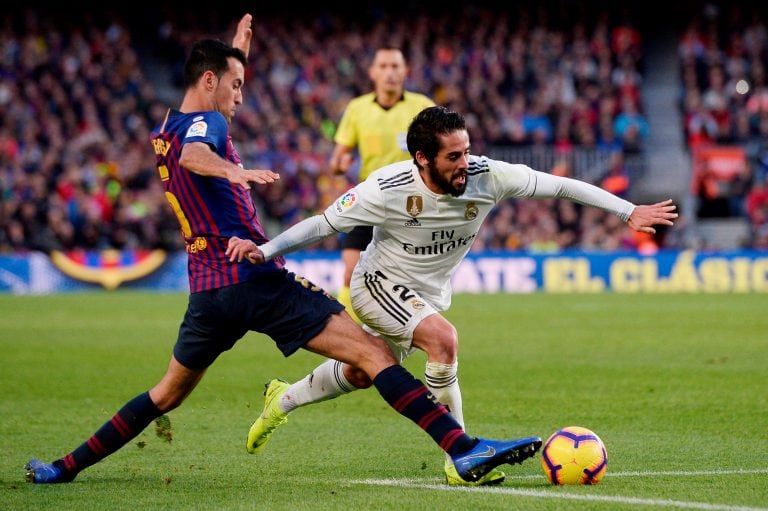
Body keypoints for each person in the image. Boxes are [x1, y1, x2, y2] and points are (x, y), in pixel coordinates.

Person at [24, 15, 541, 486]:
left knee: (166, 393)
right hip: (252, 276)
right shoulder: (207, 127)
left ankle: (63, 468)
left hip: (207, 289)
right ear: (210, 82)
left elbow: (195, 120)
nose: (240, 97)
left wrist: (236, 55)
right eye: (235, 85)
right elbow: (197, 151)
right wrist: (232, 169)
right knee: (374, 354)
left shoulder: (167, 125)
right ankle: (462, 448)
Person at [227, 106, 678, 485]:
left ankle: (282, 399)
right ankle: (461, 456)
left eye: (467, 150)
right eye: (454, 156)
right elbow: (324, 223)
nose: (466, 162)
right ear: (422, 159)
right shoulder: (387, 189)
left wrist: (628, 211)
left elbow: (558, 185)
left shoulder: (488, 176)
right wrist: (265, 251)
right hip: (377, 285)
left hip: (425, 294)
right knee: (443, 341)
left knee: (366, 369)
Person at [329, 47, 435, 324]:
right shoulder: (357, 109)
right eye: (384, 66)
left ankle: (404, 333)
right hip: (370, 196)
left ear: (405, 71)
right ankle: (349, 341)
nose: (389, 72)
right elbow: (336, 160)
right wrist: (340, 165)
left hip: (411, 201)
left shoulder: (422, 107)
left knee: (407, 280)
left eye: (395, 66)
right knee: (350, 272)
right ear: (373, 72)